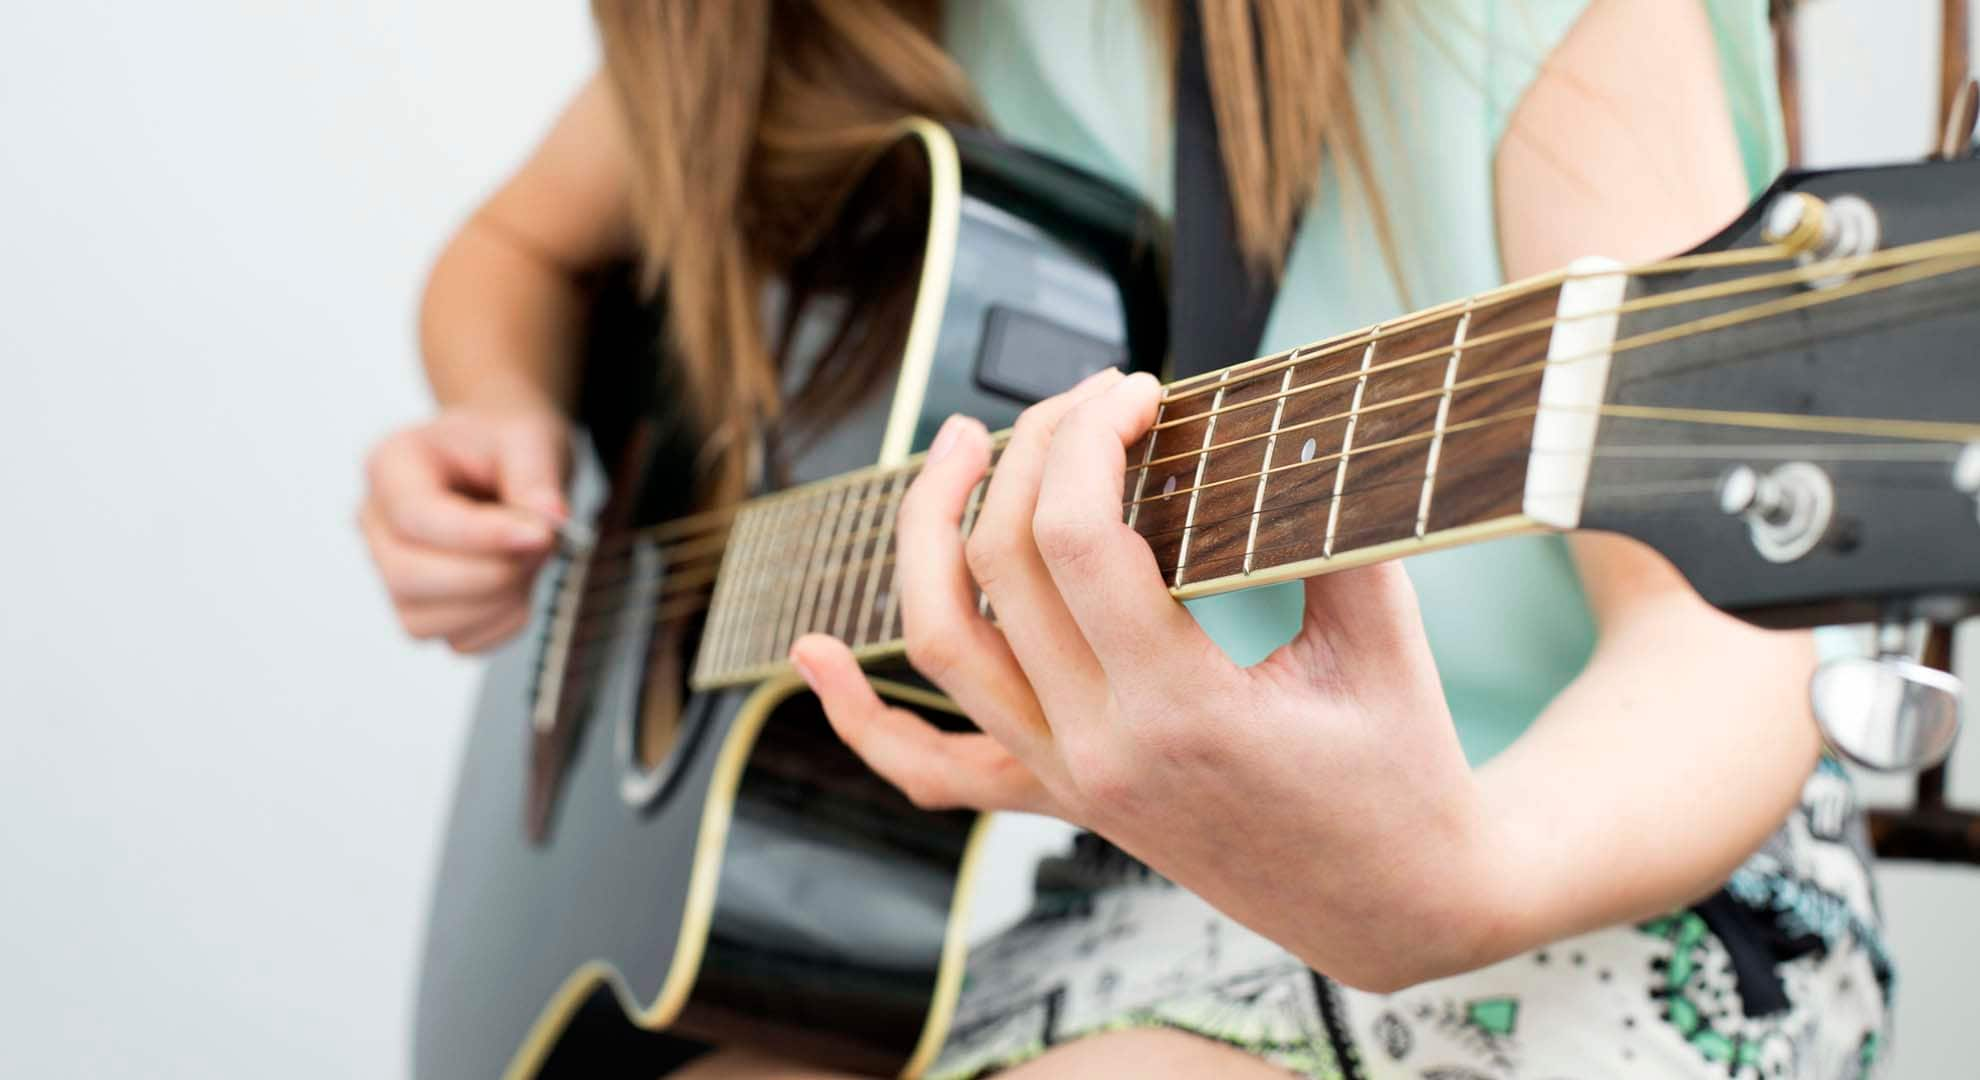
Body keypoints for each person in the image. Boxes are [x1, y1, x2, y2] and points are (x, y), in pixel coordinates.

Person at [360, 2, 1891, 1076]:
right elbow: (507, 251)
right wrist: (505, 419)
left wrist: (1462, 880)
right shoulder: (803, 27)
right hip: (1157, 890)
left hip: (1612, 877)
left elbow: (1726, 646)